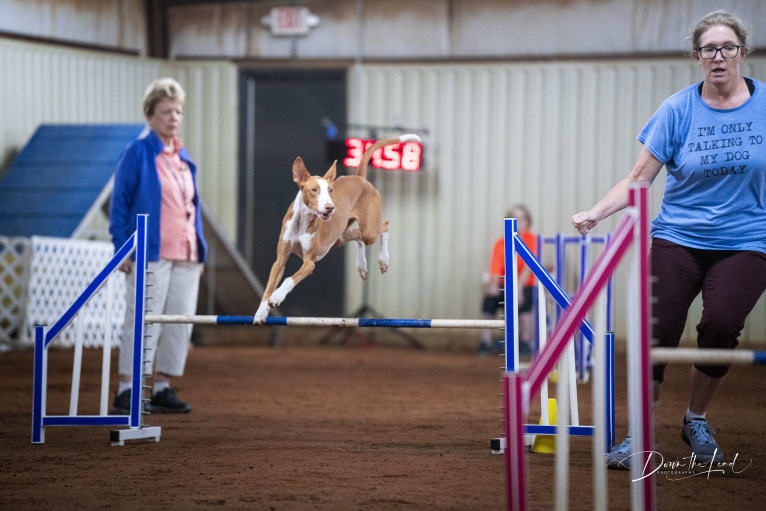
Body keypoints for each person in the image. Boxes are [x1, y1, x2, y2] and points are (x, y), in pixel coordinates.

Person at [572, 10, 766, 469]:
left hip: (747, 240)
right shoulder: (677, 109)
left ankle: (695, 419)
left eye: (727, 47)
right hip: (679, 236)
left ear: (742, 51)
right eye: (708, 49)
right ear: (697, 56)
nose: (718, 57)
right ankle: (638, 431)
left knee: (719, 327)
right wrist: (597, 212)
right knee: (657, 331)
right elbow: (639, 178)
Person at [109, 78, 207, 414]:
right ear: (150, 116)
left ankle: (162, 387)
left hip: (187, 255)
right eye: (166, 112)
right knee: (141, 321)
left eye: (178, 111)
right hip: (150, 252)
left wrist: (199, 251)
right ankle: (127, 389)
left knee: (179, 323)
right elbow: (119, 202)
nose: (174, 117)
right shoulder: (136, 153)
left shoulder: (183, 157)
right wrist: (122, 247)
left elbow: (192, 206)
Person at [478, 205, 537, 356]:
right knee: (490, 299)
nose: (517, 221)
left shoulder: (533, 240)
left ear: (527, 221)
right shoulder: (501, 243)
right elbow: (495, 269)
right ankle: (485, 342)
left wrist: (517, 289)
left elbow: (528, 268)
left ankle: (525, 342)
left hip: (525, 284)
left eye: (520, 218)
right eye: (513, 218)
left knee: (524, 299)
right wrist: (493, 286)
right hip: (505, 283)